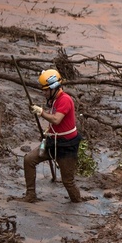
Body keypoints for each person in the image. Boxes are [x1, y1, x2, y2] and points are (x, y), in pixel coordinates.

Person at [21, 69, 91, 203]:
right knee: (29, 160)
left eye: (46, 90)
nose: (44, 93)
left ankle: (77, 201)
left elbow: (56, 120)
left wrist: (41, 112)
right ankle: (30, 195)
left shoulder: (65, 100)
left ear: (54, 88)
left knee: (68, 181)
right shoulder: (54, 100)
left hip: (66, 146)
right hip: (52, 142)